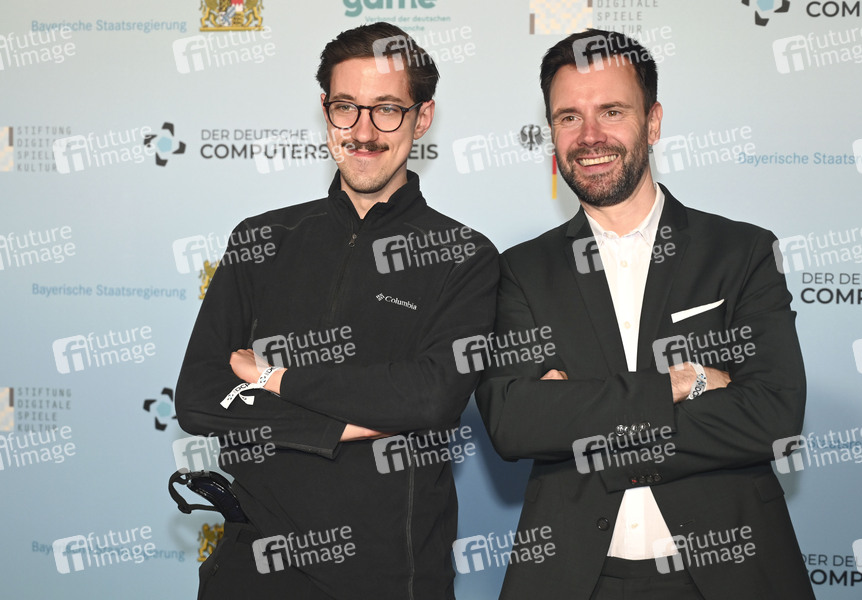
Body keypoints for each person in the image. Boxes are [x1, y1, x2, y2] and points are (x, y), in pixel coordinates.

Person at [475, 30, 814, 599]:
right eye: (569, 117)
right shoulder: (521, 270)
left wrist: (582, 419)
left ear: (653, 122)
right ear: (551, 132)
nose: (590, 136)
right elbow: (514, 423)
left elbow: (772, 416)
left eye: (612, 111)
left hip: (730, 574)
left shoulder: (741, 252)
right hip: (573, 578)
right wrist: (682, 383)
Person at [175, 22, 498, 600]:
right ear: (325, 111)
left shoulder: (464, 256)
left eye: (387, 110)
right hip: (252, 569)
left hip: (391, 576)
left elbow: (429, 400)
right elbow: (199, 398)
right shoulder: (261, 238)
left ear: (422, 117)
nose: (364, 131)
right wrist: (348, 426)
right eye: (346, 107)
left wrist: (273, 378)